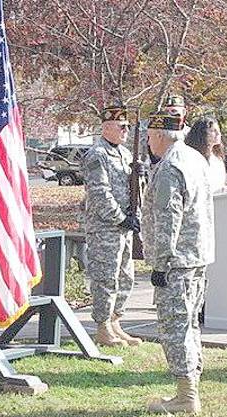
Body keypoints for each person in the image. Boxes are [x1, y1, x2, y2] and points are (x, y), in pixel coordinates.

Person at [141, 111, 214, 414]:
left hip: (177, 262)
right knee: (190, 325)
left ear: (159, 136)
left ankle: (187, 396)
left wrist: (161, 263)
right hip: (196, 257)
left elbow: (169, 216)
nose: (147, 141)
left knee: (176, 328)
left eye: (148, 136)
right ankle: (190, 388)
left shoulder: (171, 166)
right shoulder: (194, 158)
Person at [82, 105, 142, 347]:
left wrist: (141, 175)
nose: (126, 131)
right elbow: (100, 194)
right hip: (104, 227)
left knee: (125, 275)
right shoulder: (97, 155)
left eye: (127, 127)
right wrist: (120, 218)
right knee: (106, 277)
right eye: (121, 126)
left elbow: (133, 190)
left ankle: (116, 321)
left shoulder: (126, 154)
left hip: (124, 228)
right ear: (106, 127)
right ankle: (103, 326)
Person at [185, 116, 226, 193]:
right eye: (213, 131)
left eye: (218, 131)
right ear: (203, 133)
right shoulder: (192, 158)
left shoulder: (217, 158)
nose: (218, 134)